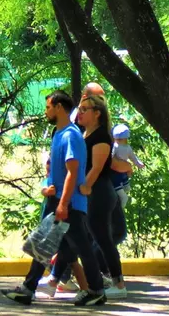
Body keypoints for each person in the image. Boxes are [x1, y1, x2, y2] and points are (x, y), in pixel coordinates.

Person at [1, 90, 106, 307]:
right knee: (44, 245)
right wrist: (47, 187)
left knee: (82, 249)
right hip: (57, 200)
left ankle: (96, 291)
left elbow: (72, 172)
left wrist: (63, 204)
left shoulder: (70, 135)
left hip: (69, 205)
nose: (46, 111)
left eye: (48, 107)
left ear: (59, 108)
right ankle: (28, 289)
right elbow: (56, 171)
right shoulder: (58, 134)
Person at [50, 94, 125, 299]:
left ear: (97, 113)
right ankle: (55, 279)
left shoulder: (101, 136)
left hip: (99, 192)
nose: (80, 113)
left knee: (101, 238)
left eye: (85, 109)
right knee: (76, 237)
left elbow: (97, 167)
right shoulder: (84, 133)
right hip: (89, 193)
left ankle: (119, 284)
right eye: (79, 109)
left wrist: (84, 186)